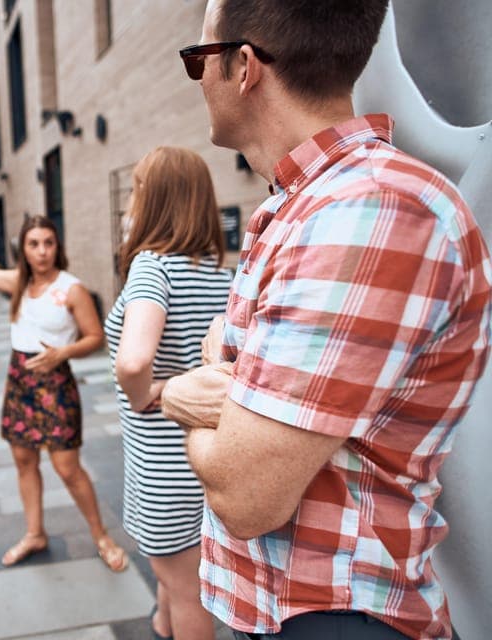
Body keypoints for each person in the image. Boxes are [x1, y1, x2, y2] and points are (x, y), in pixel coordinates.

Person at [163, 2, 492, 639]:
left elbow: (243, 493)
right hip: (291, 607)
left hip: (336, 617)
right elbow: (220, 354)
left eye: (198, 59)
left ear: (243, 68)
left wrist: (182, 399)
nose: (198, 78)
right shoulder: (308, 203)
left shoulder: (368, 209)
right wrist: (233, 397)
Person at [0, 216, 128, 572]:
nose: (42, 251)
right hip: (20, 382)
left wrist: (62, 353)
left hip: (55, 384)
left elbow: (95, 337)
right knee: (24, 461)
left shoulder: (71, 289)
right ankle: (34, 533)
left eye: (48, 243)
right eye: (34, 244)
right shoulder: (20, 284)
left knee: (67, 468)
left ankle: (101, 535)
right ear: (23, 250)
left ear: (58, 247)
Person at [105, 147, 232, 640]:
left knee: (185, 588)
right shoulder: (225, 276)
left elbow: (133, 360)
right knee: (180, 580)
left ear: (156, 199)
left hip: (162, 465)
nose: (129, 204)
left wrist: (144, 395)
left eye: (137, 190)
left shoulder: (152, 268)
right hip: (205, 456)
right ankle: (161, 625)